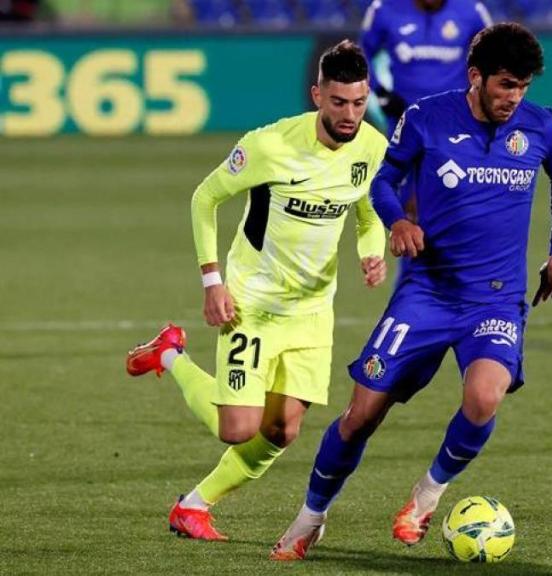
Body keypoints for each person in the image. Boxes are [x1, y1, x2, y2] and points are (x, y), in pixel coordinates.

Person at [269, 22, 552, 561]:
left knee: (484, 397)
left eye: (523, 86)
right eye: (506, 84)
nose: (515, 97)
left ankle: (427, 494)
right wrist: (396, 222)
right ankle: (311, 516)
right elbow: (383, 181)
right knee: (361, 415)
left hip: (495, 298)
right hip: (427, 293)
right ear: (476, 76)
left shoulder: (542, 125)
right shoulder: (426, 118)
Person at [124, 40, 390, 540]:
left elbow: (368, 212)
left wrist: (370, 252)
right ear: (317, 95)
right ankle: (169, 355)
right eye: (338, 102)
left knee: (281, 431)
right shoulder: (270, 146)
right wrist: (212, 281)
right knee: (238, 429)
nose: (350, 115)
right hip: (253, 304)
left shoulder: (373, 147)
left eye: (358, 103)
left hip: (313, 312)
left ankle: (193, 506)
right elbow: (205, 198)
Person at [361, 0, 492, 137]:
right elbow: (362, 54)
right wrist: (381, 93)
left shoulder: (472, 10)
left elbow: (494, 53)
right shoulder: (384, 8)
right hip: (405, 116)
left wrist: (480, 93)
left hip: (457, 118)